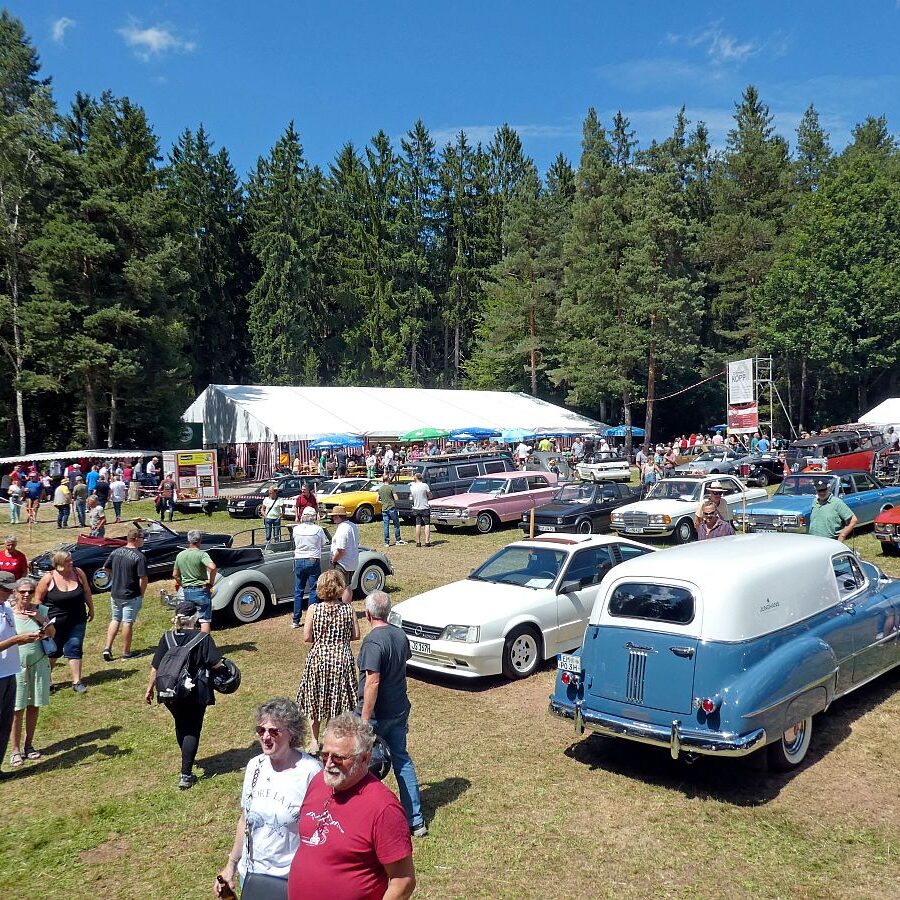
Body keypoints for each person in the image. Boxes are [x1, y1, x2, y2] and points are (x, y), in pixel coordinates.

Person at [287, 713, 416, 900]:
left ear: (364, 758)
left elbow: (403, 880)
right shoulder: (318, 782)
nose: (329, 764)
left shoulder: (383, 808)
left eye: (338, 758)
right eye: (324, 755)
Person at [215, 699, 322, 899]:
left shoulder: (311, 773)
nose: (265, 737)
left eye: (274, 731)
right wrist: (231, 865)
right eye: (261, 730)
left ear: (291, 733)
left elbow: (320, 833)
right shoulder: (255, 766)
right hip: (251, 874)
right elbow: (245, 819)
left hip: (289, 880)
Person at [358, 591, 426, 837]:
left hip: (377, 715)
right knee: (401, 760)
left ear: (367, 614)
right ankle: (415, 820)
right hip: (399, 708)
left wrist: (365, 720)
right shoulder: (399, 635)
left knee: (363, 766)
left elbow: (372, 682)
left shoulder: (373, 642)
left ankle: (365, 820)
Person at [145, 600, 225, 789]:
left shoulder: (167, 637)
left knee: (181, 725)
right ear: (194, 618)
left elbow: (155, 667)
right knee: (192, 729)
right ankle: (186, 774)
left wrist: (149, 688)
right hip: (194, 692)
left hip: (169, 691)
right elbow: (216, 664)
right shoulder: (203, 638)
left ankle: (186, 758)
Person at [295, 569, 359, 747]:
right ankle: (329, 735)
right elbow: (356, 635)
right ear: (340, 587)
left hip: (319, 659)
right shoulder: (348, 609)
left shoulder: (314, 609)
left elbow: (307, 637)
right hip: (341, 659)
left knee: (315, 698)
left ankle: (314, 740)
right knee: (337, 699)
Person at [0, 573, 43, 775]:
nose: (10, 593)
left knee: (5, 722)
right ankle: (14, 752)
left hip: (11, 671)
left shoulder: (5, 608)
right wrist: (17, 639)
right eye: (7, 589)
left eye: (11, 589)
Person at [9, 577, 55, 768]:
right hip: (16, 668)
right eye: (23, 591)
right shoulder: (8, 613)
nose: (26, 595)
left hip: (38, 664)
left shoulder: (41, 610)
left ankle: (29, 745)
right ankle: (15, 750)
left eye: (30, 591)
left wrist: (39, 618)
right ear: (16, 593)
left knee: (34, 706)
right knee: (17, 709)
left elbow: (52, 633)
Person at [34, 550, 94, 694]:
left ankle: (77, 682)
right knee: (54, 651)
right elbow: (37, 601)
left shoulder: (78, 573)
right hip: (54, 623)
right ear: (59, 564)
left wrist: (91, 608)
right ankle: (47, 681)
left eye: (71, 559)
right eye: (68, 561)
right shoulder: (48, 578)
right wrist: (41, 620)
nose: (72, 562)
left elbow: (86, 591)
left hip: (77, 619)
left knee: (75, 646)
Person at [101, 526, 147, 661]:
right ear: (136, 539)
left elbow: (105, 568)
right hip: (130, 594)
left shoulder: (115, 552)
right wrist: (141, 593)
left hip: (115, 593)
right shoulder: (139, 556)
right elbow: (143, 578)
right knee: (127, 622)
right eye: (142, 538)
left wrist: (116, 577)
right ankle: (126, 653)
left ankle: (107, 648)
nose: (143, 540)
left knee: (115, 619)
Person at [173, 530, 217, 634]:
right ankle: (205, 643)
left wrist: (183, 584)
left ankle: (189, 641)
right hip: (201, 590)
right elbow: (213, 567)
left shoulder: (180, 555)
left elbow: (175, 574)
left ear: (188, 540)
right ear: (200, 540)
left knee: (189, 618)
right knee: (204, 619)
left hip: (187, 591)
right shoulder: (202, 554)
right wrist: (210, 582)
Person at [292, 506, 326, 629]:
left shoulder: (296, 529)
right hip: (313, 559)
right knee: (313, 590)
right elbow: (323, 543)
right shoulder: (318, 529)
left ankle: (296, 619)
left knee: (298, 590)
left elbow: (295, 542)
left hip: (299, 560)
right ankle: (311, 619)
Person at [808, 477, 858, 542]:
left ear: (828, 488)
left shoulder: (837, 502)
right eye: (819, 490)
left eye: (824, 490)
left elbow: (853, 520)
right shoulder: (815, 502)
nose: (822, 493)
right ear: (815, 490)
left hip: (830, 541)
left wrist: (842, 536)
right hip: (813, 540)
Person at [330, 505, 359, 604]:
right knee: (348, 586)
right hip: (352, 560)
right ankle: (347, 607)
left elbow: (341, 549)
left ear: (338, 516)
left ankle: (345, 608)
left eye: (334, 516)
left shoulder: (342, 529)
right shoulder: (352, 525)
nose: (332, 518)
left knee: (343, 587)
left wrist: (334, 559)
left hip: (343, 562)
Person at [376, 473, 405, 548]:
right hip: (392, 508)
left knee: (386, 526)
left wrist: (383, 502)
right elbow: (396, 498)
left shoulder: (380, 489)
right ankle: (398, 539)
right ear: (388, 479)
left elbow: (377, 500)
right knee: (396, 524)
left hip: (384, 509)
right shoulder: (391, 488)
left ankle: (386, 542)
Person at [408, 472, 432, 548]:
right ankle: (427, 541)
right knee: (427, 524)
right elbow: (430, 495)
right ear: (421, 478)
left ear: (415, 478)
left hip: (416, 507)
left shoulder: (412, 487)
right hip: (424, 507)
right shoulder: (425, 485)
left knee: (418, 524)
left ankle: (418, 542)